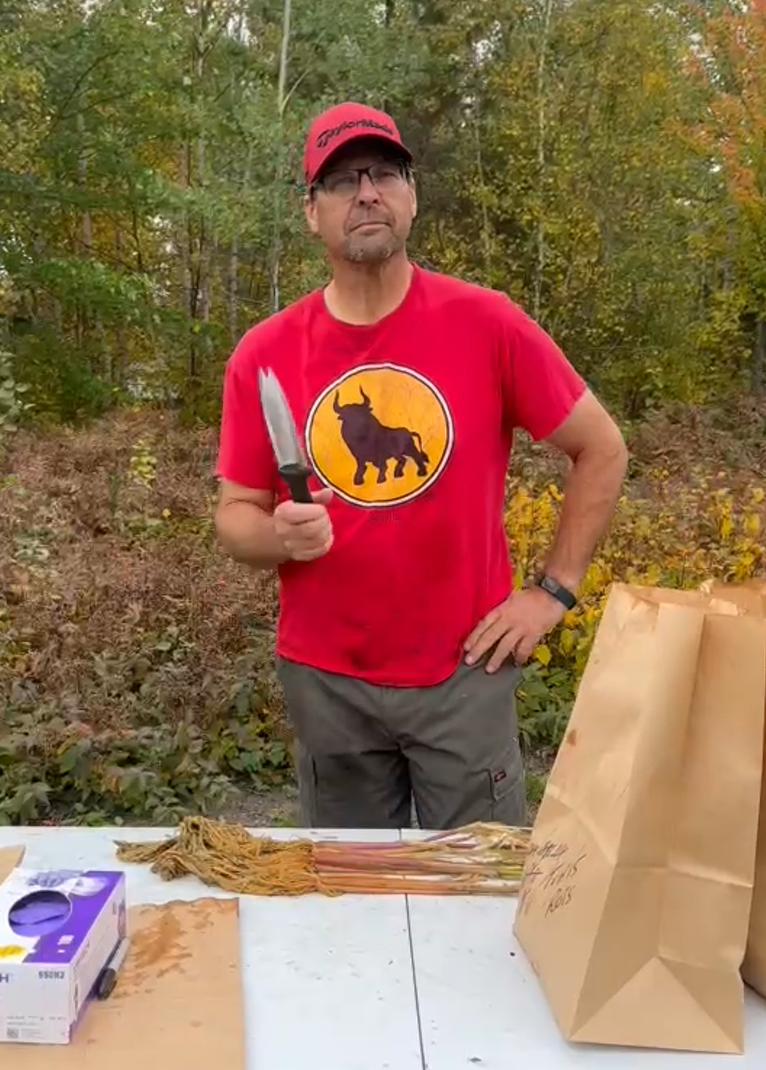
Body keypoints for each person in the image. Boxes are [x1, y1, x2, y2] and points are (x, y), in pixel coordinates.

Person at [214, 101, 628, 831]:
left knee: (477, 898)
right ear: (311, 212)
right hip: (326, 680)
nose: (365, 192)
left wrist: (552, 593)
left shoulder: (486, 322)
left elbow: (602, 447)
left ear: (411, 195)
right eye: (341, 180)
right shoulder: (265, 354)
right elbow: (234, 518)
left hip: (464, 674)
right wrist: (281, 537)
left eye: (382, 173)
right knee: (350, 898)